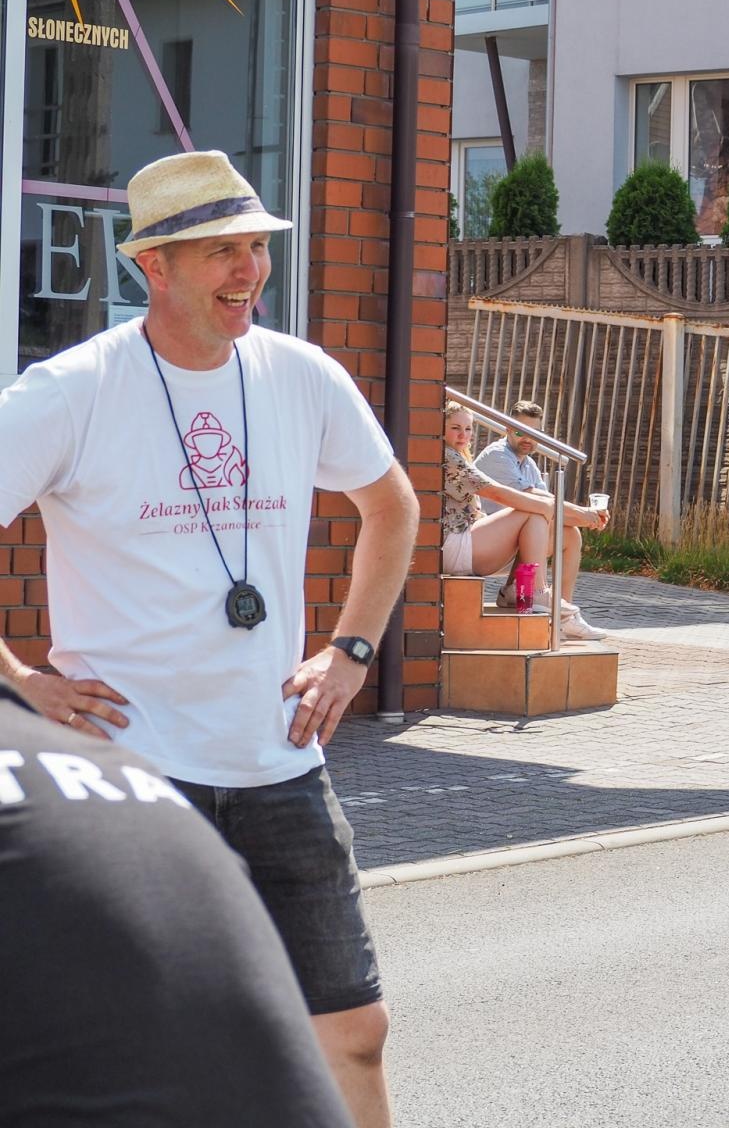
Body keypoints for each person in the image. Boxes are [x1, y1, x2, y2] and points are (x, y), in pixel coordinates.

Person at [0, 150, 420, 1128]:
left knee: (354, 1030)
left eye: (255, 249)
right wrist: (22, 684)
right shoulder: (72, 390)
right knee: (154, 1057)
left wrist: (351, 653)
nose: (249, 271)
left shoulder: (299, 374)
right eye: (221, 252)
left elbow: (390, 506)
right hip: (137, 780)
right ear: (155, 264)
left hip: (279, 764)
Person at [0, 677, 355, 1127]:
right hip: (150, 773)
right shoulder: (130, 781)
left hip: (266, 762)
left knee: (352, 1028)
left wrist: (353, 651)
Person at [442, 401, 609, 639]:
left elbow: (546, 499)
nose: (463, 435)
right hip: (457, 545)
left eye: (468, 429)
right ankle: (535, 591)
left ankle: (562, 617)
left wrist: (577, 515)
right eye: (455, 428)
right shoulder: (457, 457)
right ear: (508, 429)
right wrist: (572, 512)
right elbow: (501, 494)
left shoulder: (468, 456)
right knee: (533, 510)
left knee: (569, 533)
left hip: (483, 541)